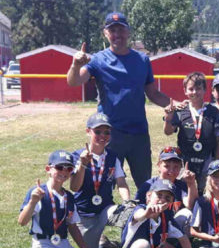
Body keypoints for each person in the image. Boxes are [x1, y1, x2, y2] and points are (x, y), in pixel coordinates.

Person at [67, 12, 171, 188]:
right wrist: (75, 65)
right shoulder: (98, 60)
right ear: (105, 34)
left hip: (139, 134)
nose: (117, 35)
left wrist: (175, 104)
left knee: (144, 184)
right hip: (109, 135)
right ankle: (108, 215)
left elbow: (153, 94)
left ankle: (144, 214)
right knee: (105, 184)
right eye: (112, 30)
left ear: (128, 32)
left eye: (121, 30)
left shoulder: (142, 60)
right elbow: (74, 81)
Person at [18, 150, 102, 248]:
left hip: (63, 243)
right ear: (48, 169)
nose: (64, 171)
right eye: (59, 167)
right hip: (44, 245)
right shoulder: (38, 192)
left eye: (68, 168)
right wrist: (32, 202)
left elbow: (72, 225)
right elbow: (22, 222)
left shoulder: (68, 196)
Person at [118, 178, 202, 248]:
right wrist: (147, 213)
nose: (162, 200)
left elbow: (184, 239)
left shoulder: (166, 218)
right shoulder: (140, 209)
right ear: (148, 196)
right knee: (142, 245)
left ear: (171, 202)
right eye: (159, 195)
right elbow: (139, 216)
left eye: (167, 198)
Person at [70, 112, 130, 248]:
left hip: (105, 210)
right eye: (98, 132)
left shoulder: (112, 156)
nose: (103, 136)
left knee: (130, 216)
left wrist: (128, 202)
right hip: (85, 214)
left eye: (107, 132)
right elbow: (74, 188)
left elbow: (121, 183)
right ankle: (102, 245)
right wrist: (82, 165)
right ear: (88, 131)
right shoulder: (77, 156)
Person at [164, 72, 219, 194]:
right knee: (184, 191)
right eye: (191, 89)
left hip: (207, 159)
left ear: (205, 90)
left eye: (198, 89)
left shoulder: (213, 112)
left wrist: (217, 162)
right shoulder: (180, 111)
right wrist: (168, 118)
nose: (194, 92)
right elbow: (168, 132)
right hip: (185, 159)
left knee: (206, 193)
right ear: (185, 91)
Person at [134, 146, 198, 238]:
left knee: (187, 213)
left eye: (176, 167)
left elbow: (190, 205)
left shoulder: (180, 185)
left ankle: (178, 243)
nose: (171, 171)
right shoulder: (148, 185)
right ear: (159, 165)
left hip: (172, 227)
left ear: (181, 168)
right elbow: (137, 211)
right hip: (152, 227)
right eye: (166, 166)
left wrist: (191, 183)